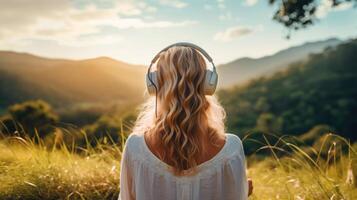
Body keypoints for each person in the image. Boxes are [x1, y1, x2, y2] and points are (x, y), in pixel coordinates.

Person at [119, 43, 253, 200]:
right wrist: (243, 191)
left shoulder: (136, 148)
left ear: (154, 84)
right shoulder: (231, 149)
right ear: (207, 84)